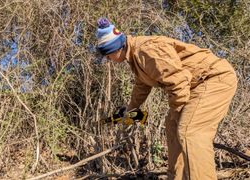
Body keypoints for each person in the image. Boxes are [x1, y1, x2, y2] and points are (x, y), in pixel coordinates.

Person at [95, 17, 237, 180]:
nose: (107, 59)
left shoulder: (146, 50)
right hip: (195, 85)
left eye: (107, 54)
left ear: (116, 48)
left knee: (190, 131)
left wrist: (177, 112)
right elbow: (141, 87)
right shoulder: (135, 57)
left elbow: (178, 82)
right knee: (172, 125)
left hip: (213, 79)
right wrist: (130, 111)